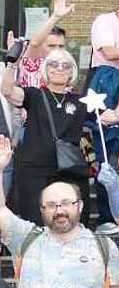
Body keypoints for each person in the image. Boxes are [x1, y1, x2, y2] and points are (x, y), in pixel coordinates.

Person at [0, 149, 119, 288]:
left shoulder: (103, 245)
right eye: (51, 205)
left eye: (66, 203)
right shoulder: (26, 237)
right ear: (42, 210)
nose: (59, 210)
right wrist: (0, 168)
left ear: (80, 206)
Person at [0, 46, 89, 222]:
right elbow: (8, 91)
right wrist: (12, 65)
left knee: (69, 221)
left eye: (66, 65)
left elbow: (114, 116)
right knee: (35, 221)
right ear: (46, 69)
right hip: (34, 171)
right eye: (54, 64)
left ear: (72, 72)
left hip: (67, 171)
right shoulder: (34, 95)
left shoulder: (81, 101)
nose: (59, 68)